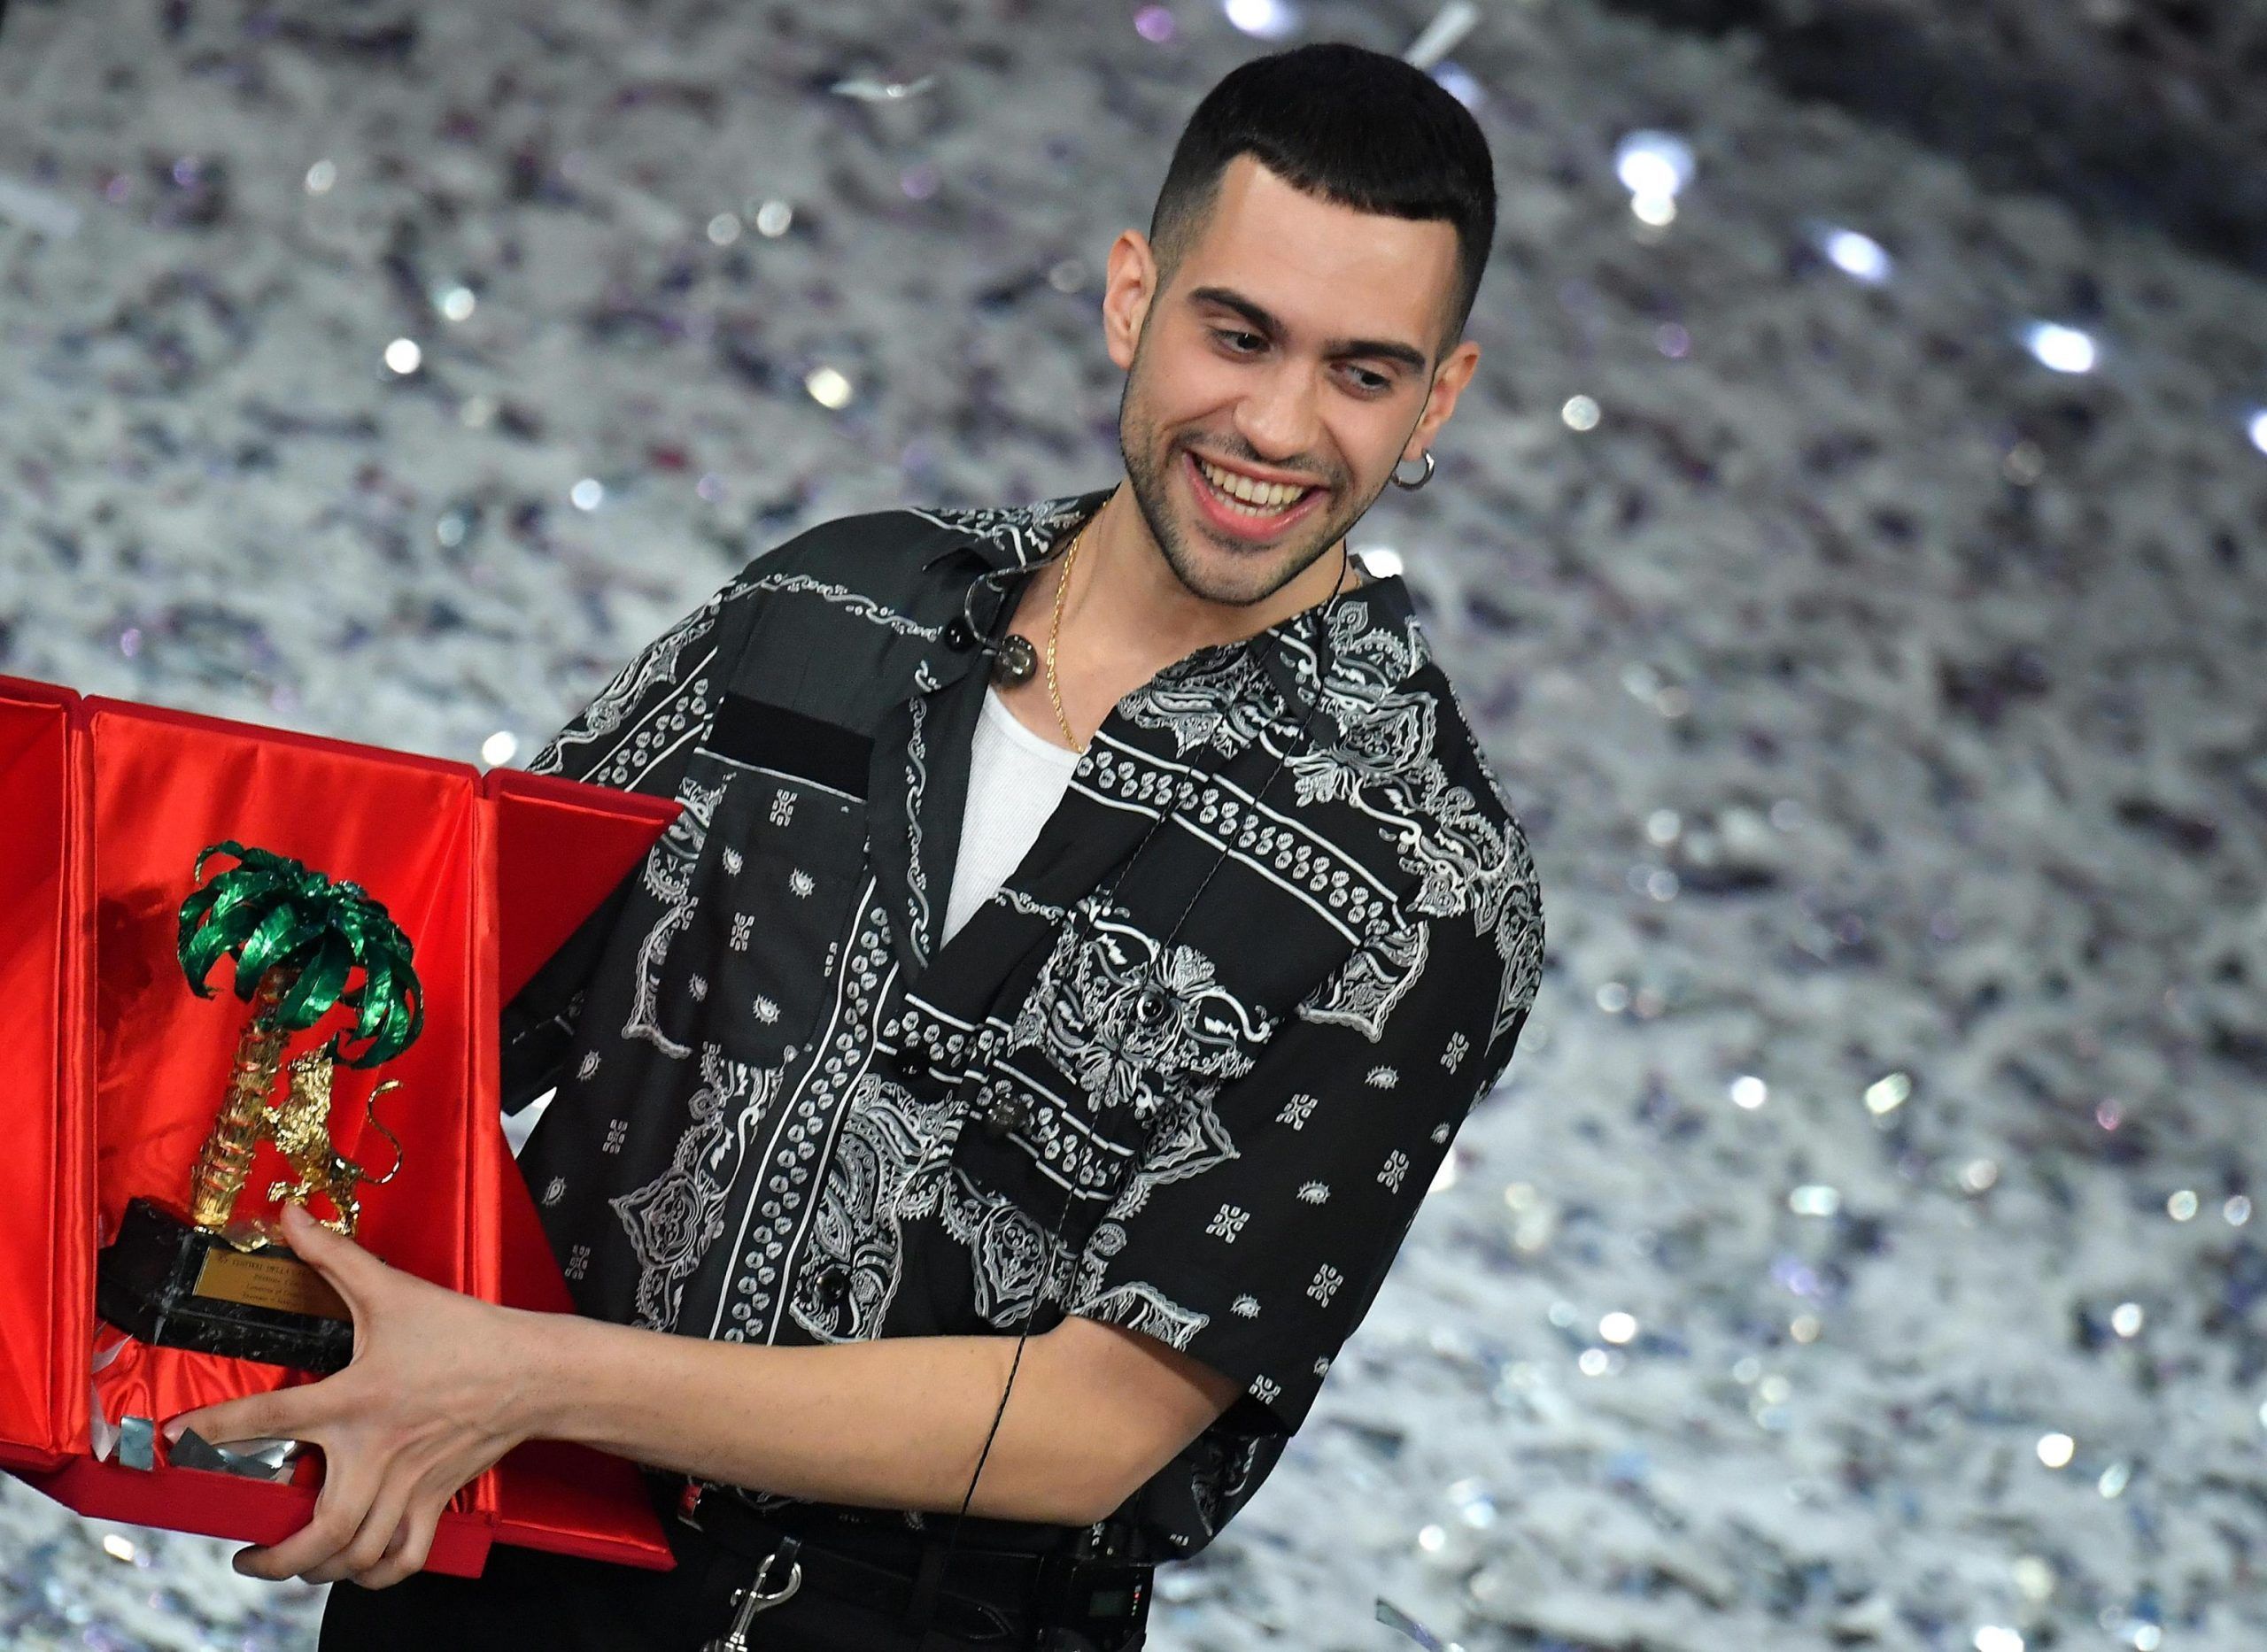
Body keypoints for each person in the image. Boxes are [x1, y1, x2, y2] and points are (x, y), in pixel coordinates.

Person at [161, 38, 1545, 1651]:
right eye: (1237, 336)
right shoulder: (824, 611)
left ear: (1440, 395)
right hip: (487, 1578)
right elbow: (448, 1004)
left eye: (1362, 374)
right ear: (1132, 297)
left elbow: (1096, 1423)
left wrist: (521, 1375)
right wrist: (252, 980)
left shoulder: (1430, 891)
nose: (1278, 423)